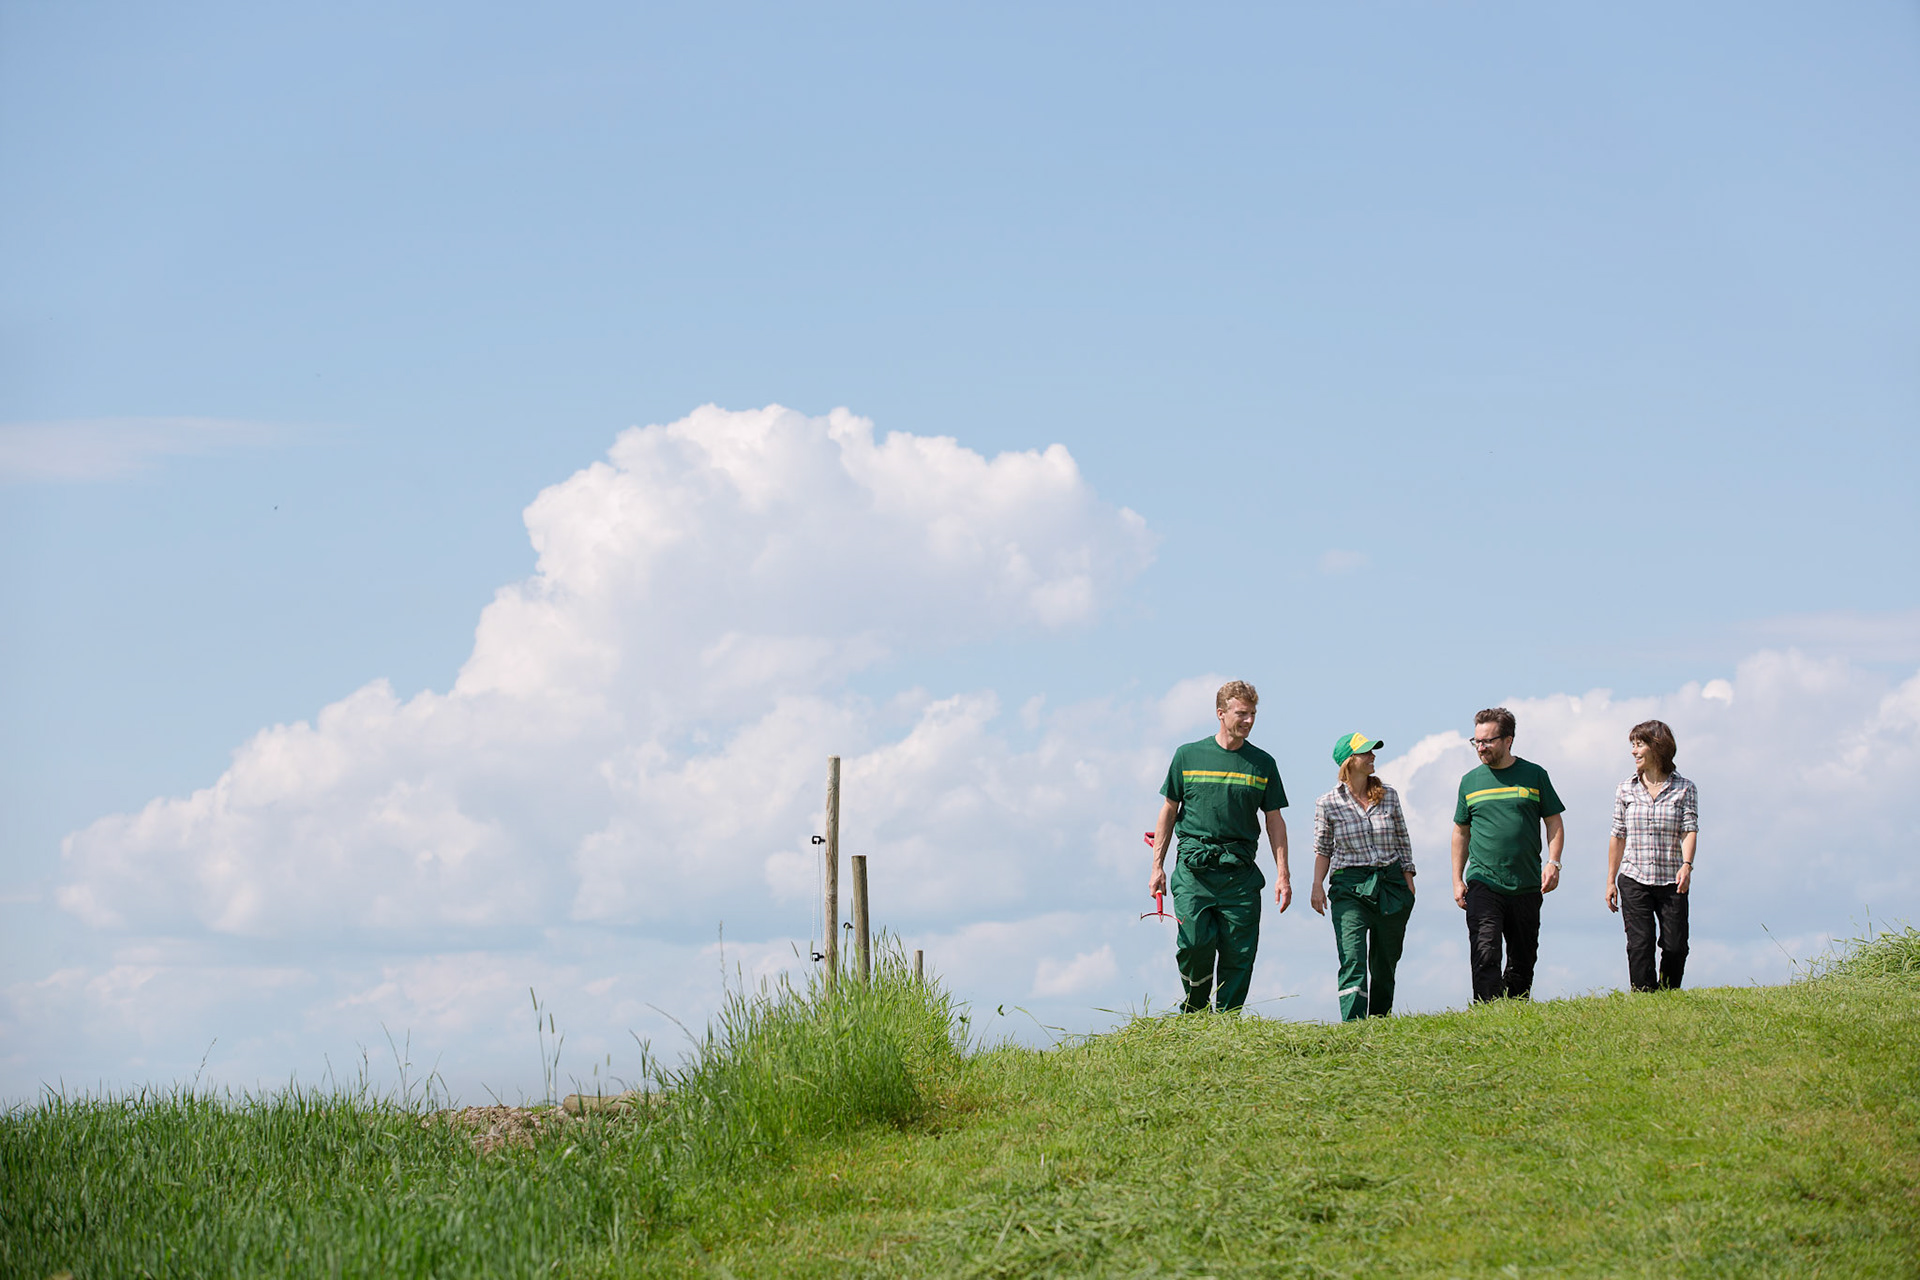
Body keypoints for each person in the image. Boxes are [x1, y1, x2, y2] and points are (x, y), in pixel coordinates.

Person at [1149, 680, 1291, 1013]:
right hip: (1194, 871)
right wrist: (1157, 866)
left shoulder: (1262, 764)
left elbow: (1274, 821)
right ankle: (1196, 1009)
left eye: (1253, 714)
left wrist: (1283, 874)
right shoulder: (1187, 755)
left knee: (1239, 954)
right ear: (1220, 713)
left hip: (1239, 874)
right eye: (1242, 713)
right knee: (1195, 944)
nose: (1249, 721)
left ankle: (1228, 1023)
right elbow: (1168, 811)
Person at [1451, 707, 1565, 1002]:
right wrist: (1457, 879)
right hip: (1483, 880)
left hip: (1526, 882)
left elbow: (1553, 821)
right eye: (1476, 741)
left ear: (1508, 740)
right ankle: (1488, 1011)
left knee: (1522, 959)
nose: (1480, 747)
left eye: (1487, 741)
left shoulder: (1534, 775)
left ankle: (1515, 1011)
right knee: (1485, 950)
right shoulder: (1469, 782)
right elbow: (1461, 831)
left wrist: (1554, 863)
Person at [1311, 733, 1416, 1021]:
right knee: (1353, 956)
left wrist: (1408, 880)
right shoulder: (1328, 803)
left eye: (1372, 751)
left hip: (1390, 882)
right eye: (1365, 753)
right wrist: (1317, 886)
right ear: (1349, 761)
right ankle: (1354, 1024)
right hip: (1349, 885)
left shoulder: (1389, 795)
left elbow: (1402, 839)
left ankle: (1380, 1021)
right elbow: (1323, 847)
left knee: (1385, 960)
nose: (1372, 757)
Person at [1605, 719, 1698, 991]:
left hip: (1672, 879)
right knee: (1640, 944)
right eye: (1632, 745)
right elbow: (1617, 834)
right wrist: (1611, 880)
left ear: (1657, 747)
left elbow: (1689, 829)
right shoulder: (1625, 788)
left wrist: (1687, 865)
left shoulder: (1685, 788)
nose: (1634, 751)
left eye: (1639, 745)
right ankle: (1644, 995)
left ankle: (1668, 994)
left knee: (1675, 945)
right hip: (1634, 877)